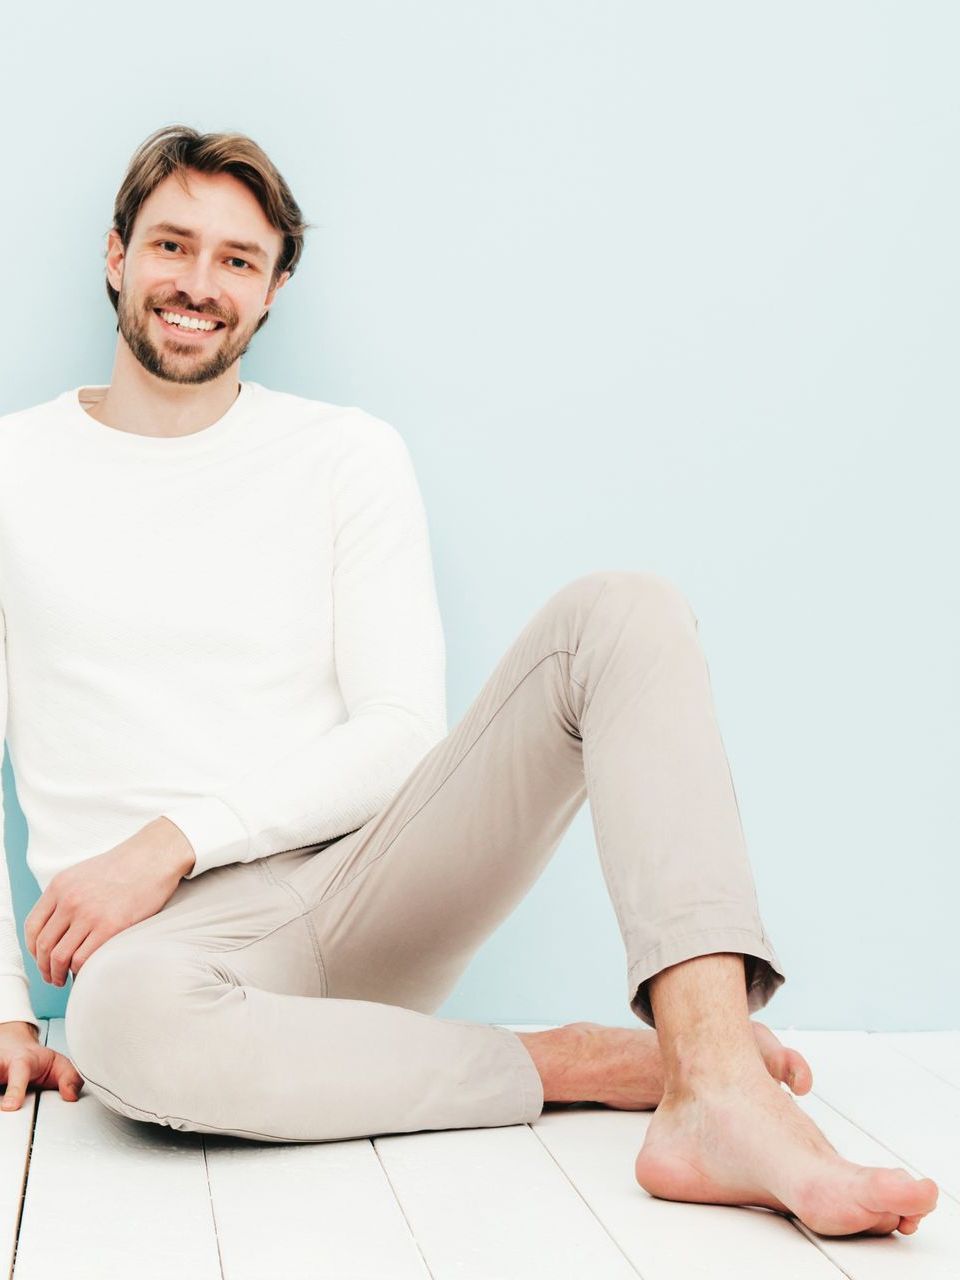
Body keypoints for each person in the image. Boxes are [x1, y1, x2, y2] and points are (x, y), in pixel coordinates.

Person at [0, 125, 938, 1239]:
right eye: (172, 246)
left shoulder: (345, 455)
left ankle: (717, 1083)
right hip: (155, 963)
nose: (198, 284)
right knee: (122, 1023)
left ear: (274, 286)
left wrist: (170, 840)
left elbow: (401, 734)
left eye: (237, 260)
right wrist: (8, 1008)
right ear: (117, 255)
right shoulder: (17, 469)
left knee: (622, 610)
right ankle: (571, 1058)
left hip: (361, 883)